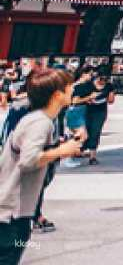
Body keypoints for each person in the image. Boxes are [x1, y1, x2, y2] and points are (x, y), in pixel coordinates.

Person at [0, 68, 85, 265]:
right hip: (11, 214)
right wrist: (62, 150)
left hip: (13, 212)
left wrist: (61, 145)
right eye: (69, 87)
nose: (73, 90)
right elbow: (28, 160)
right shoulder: (41, 123)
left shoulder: (37, 119)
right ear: (57, 95)